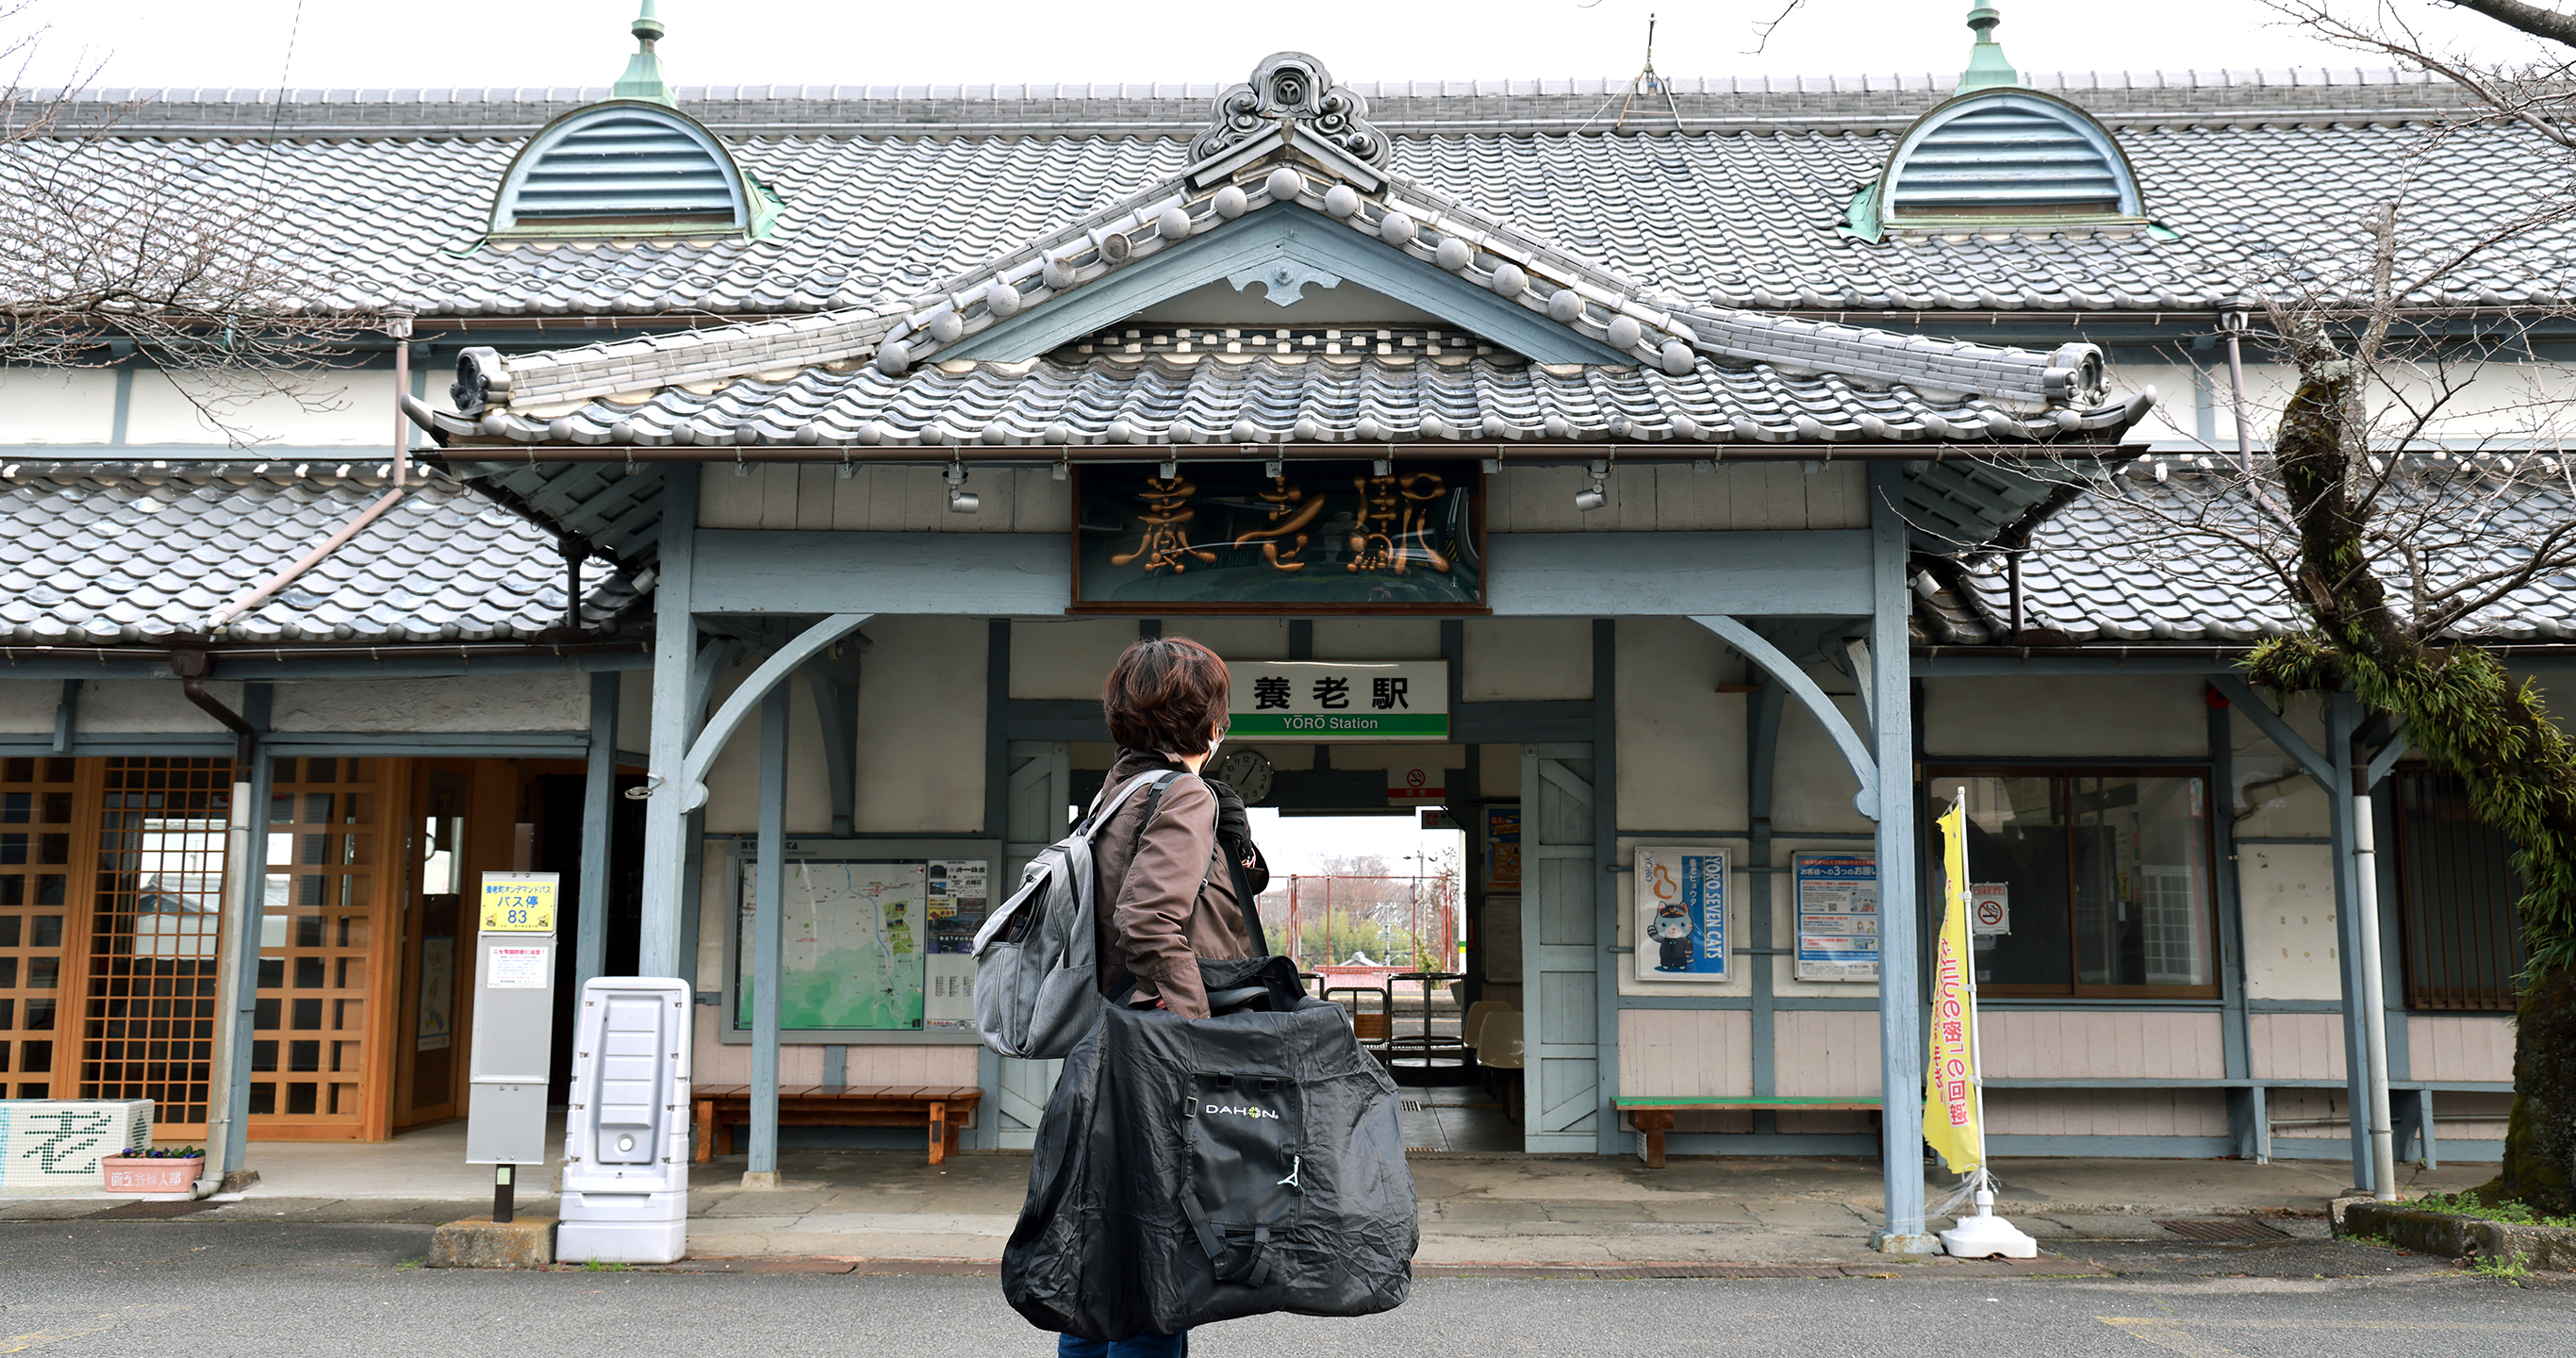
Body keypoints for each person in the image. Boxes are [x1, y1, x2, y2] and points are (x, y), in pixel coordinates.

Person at [1062, 635, 1260, 1358]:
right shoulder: (1180, 793)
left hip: (1110, 1037)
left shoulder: (1115, 792)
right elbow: (1149, 924)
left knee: (1105, 1260)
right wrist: (1199, 1033)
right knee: (1161, 1256)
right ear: (1208, 721)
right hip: (1159, 1045)